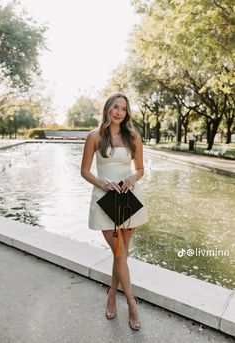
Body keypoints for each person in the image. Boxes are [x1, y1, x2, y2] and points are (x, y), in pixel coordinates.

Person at [80, 92, 148, 331]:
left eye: (123, 108)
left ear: (127, 112)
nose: (119, 112)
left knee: (121, 254)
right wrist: (102, 184)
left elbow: (140, 169)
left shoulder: (134, 136)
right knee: (119, 252)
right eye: (115, 107)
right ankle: (131, 302)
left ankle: (112, 294)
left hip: (129, 198)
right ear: (108, 109)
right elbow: (85, 171)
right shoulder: (95, 136)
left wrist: (133, 176)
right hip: (104, 199)